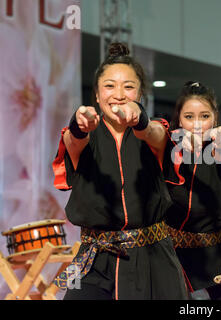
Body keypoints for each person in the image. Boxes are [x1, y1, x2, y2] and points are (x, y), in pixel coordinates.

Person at [51, 43, 188, 300]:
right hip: (95, 257)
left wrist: (142, 121)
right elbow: (72, 140)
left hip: (151, 257)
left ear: (140, 93)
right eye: (109, 86)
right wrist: (79, 124)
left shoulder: (155, 131)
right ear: (96, 94)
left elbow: (157, 135)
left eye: (129, 86)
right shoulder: (84, 134)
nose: (119, 94)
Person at [143, 81, 221, 300]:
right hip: (176, 252)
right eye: (189, 117)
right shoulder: (167, 141)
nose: (197, 124)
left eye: (205, 116)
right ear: (179, 118)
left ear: (215, 117)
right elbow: (150, 132)